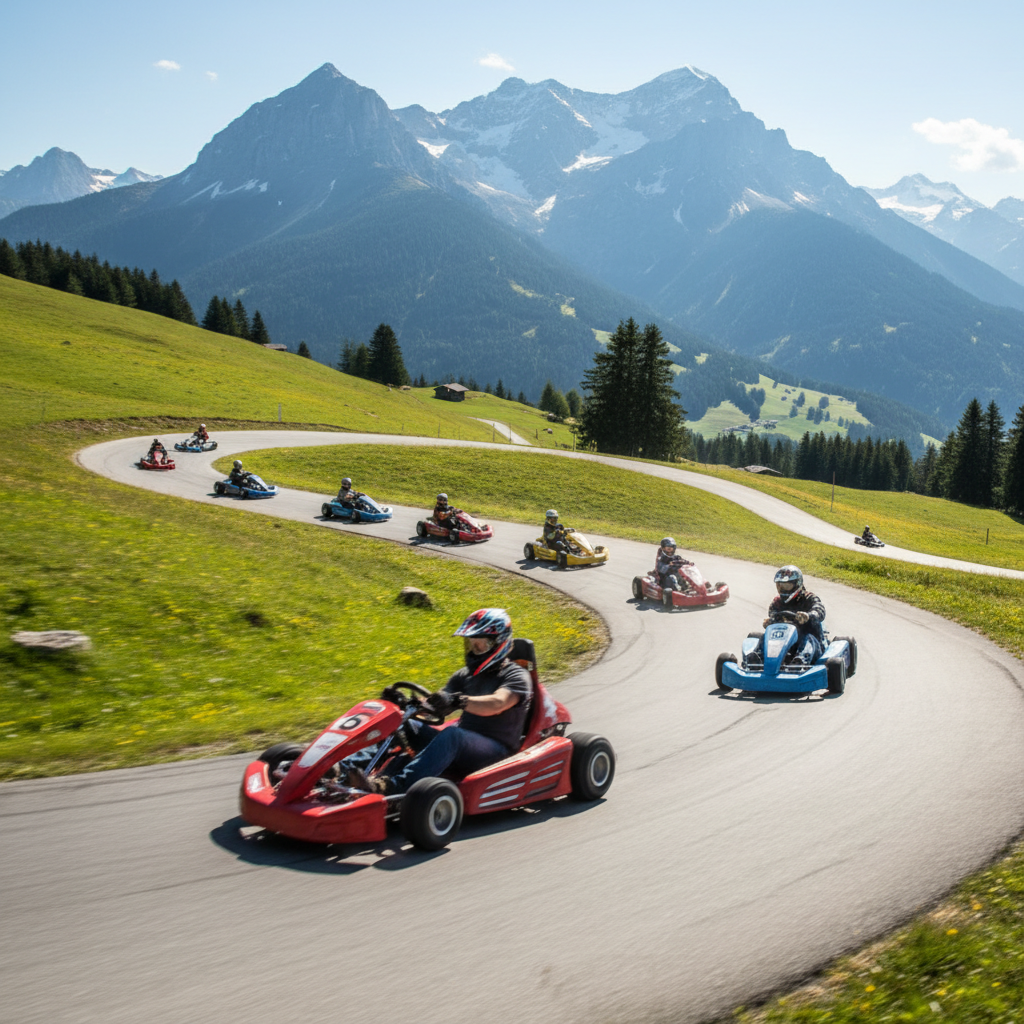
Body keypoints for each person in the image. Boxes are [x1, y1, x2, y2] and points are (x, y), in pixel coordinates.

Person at [345, 609, 532, 795]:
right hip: (464, 745)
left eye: (480, 645)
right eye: (471, 644)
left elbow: (498, 703)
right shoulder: (464, 675)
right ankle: (348, 769)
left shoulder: (516, 675)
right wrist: (405, 705)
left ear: (498, 643)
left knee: (453, 736)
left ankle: (393, 787)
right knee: (404, 723)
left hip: (496, 752)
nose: (474, 651)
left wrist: (459, 701)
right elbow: (435, 705)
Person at [763, 565, 825, 664]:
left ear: (797, 584)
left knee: (808, 638)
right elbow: (773, 614)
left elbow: (819, 610)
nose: (782, 589)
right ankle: (756, 657)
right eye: (780, 585)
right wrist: (770, 622)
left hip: (812, 643)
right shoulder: (777, 602)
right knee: (765, 636)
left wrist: (808, 616)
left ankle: (801, 660)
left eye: (786, 585)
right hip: (785, 642)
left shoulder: (809, 598)